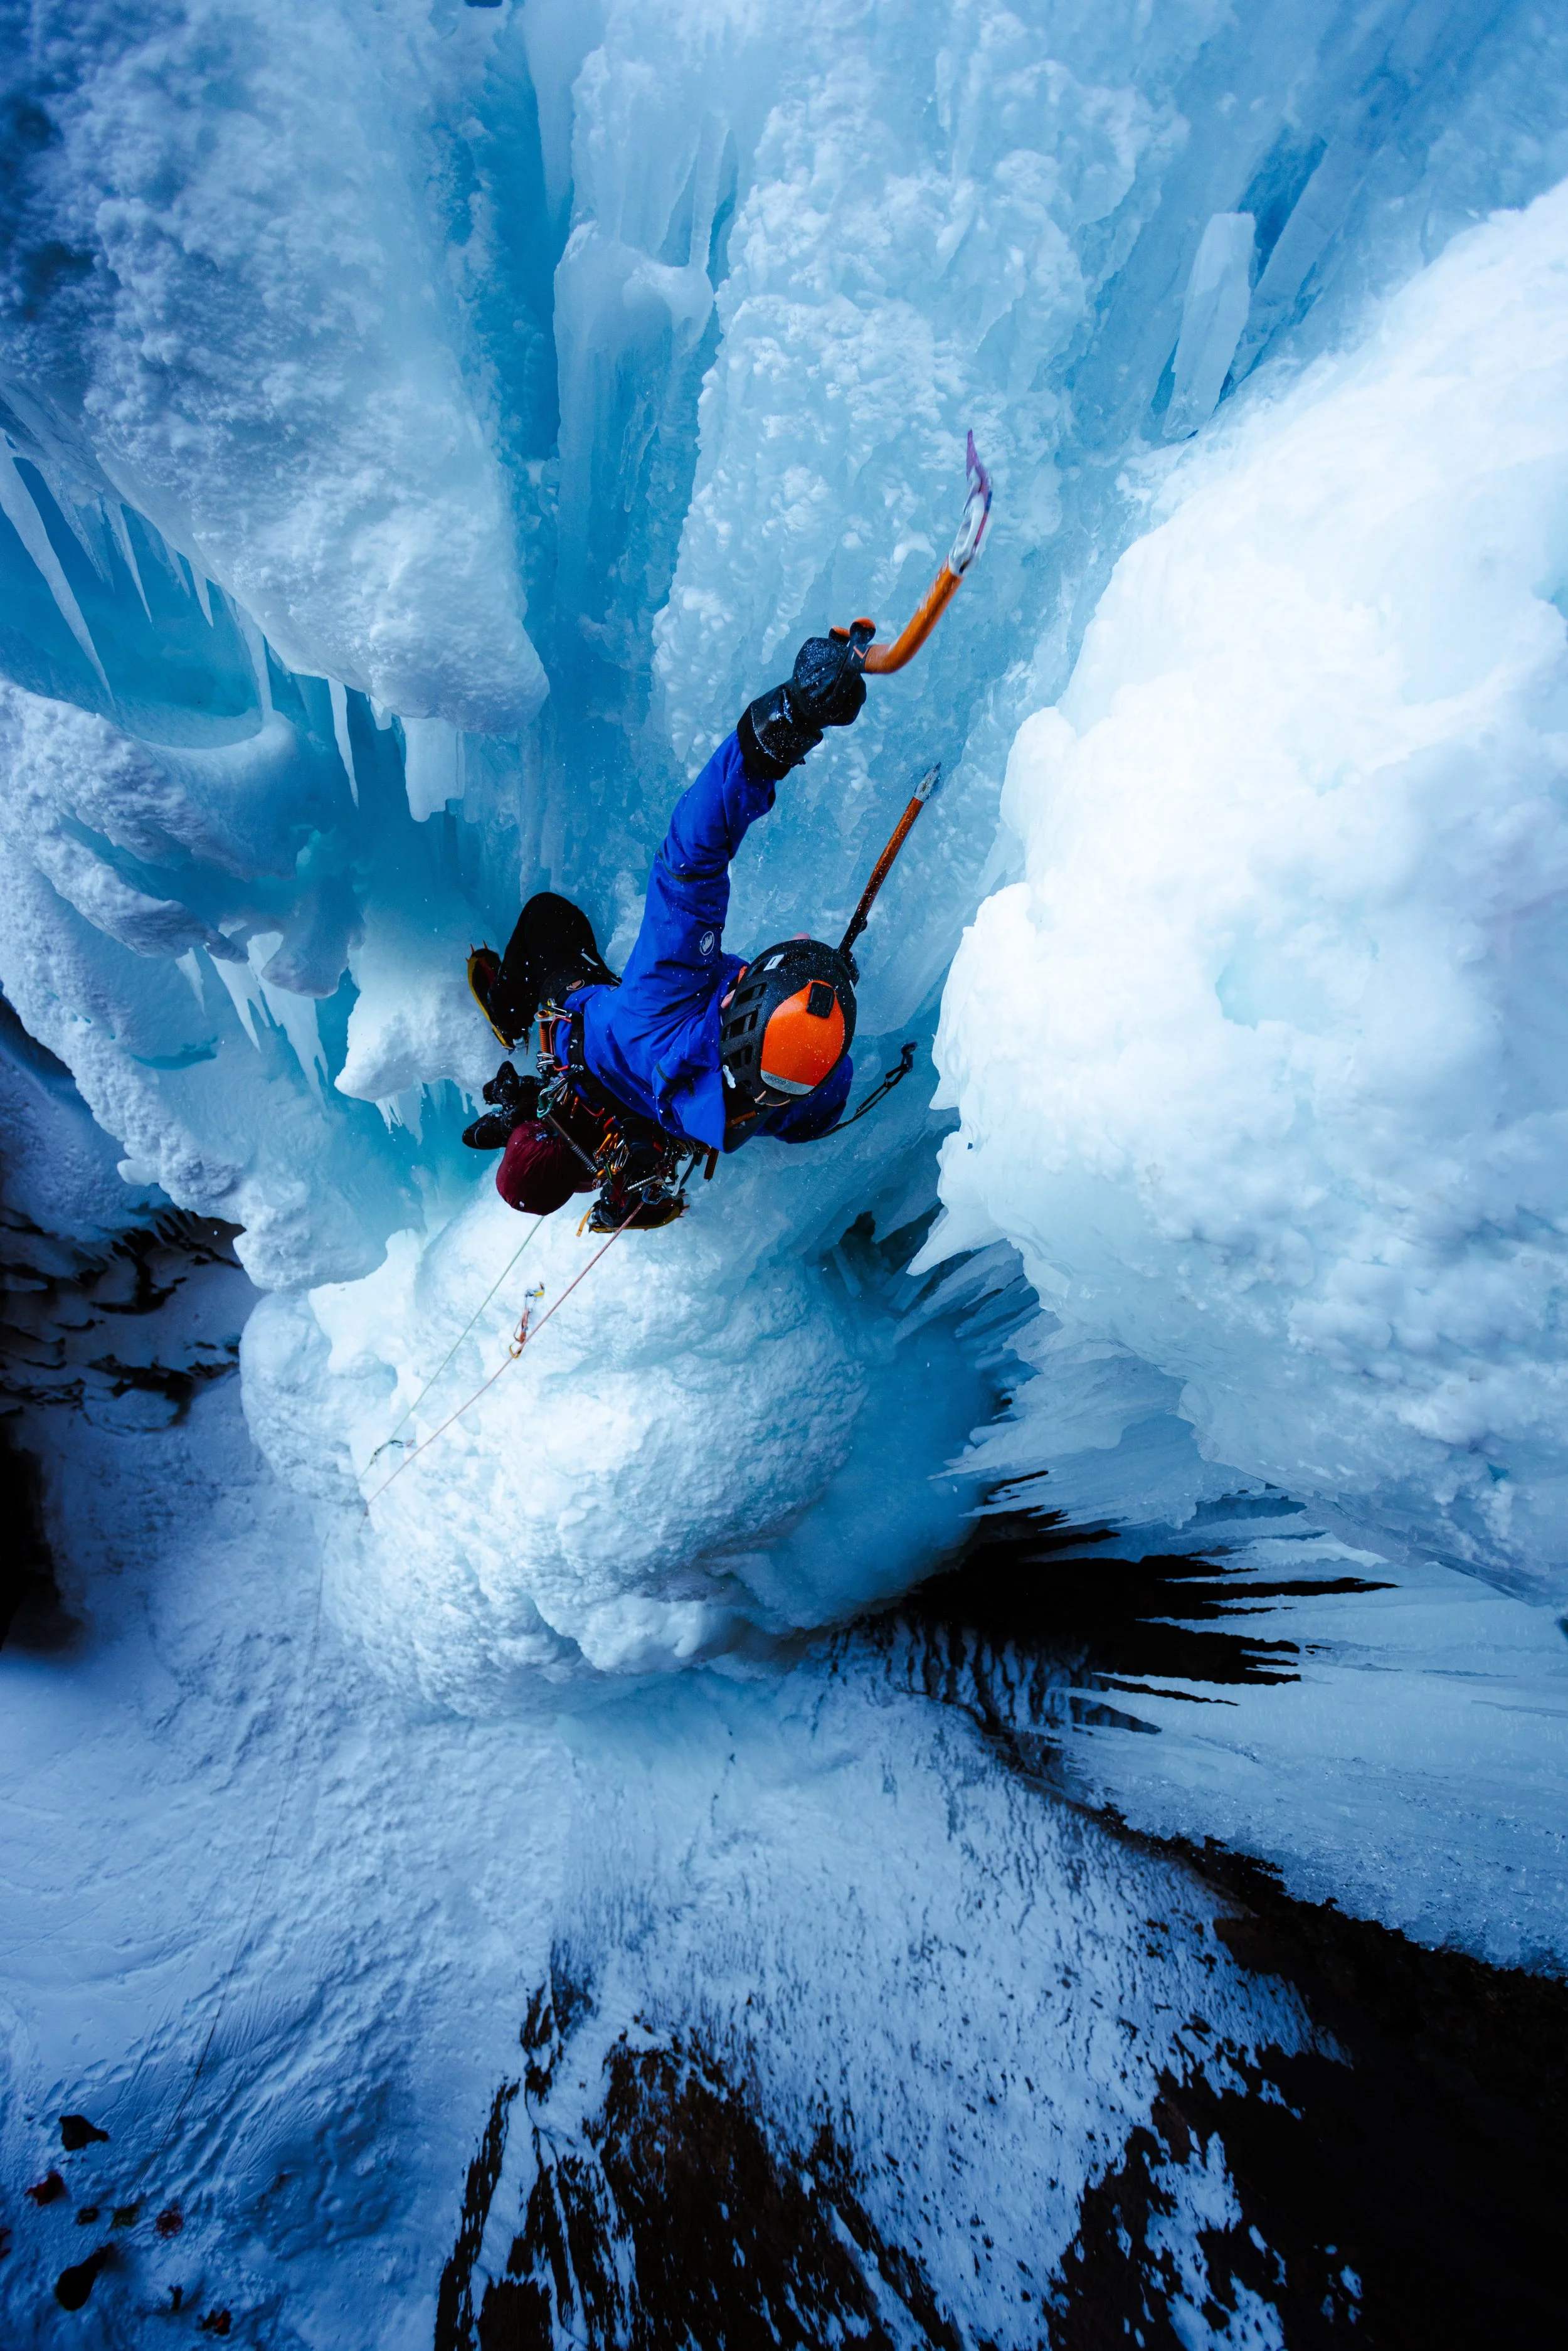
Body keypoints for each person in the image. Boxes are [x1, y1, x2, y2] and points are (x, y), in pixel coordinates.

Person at [465, 630, 867, 1220]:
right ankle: (532, 1111)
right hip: (631, 1080)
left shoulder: (671, 1017)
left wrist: (781, 726)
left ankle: (508, 1018)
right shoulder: (754, 1089)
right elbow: (824, 1101)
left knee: (550, 922)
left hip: (613, 1050)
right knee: (554, 925)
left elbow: (691, 862)